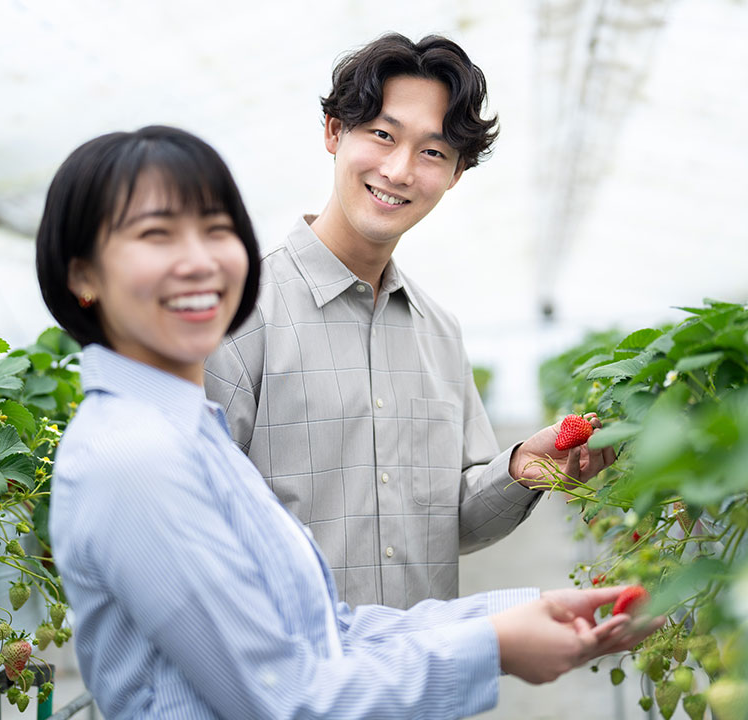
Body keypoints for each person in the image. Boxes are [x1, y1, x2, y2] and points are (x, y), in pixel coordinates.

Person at [37, 125, 660, 719]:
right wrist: (493, 647)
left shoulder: (189, 432)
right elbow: (284, 693)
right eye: (155, 236)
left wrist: (525, 603)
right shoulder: (140, 454)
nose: (198, 262)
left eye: (215, 229)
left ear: (456, 172)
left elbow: (325, 630)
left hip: (382, 683)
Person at [204, 33, 617, 609]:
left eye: (432, 152)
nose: (399, 170)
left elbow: (452, 526)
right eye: (382, 134)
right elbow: (191, 534)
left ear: (455, 175)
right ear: (333, 132)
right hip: (283, 689)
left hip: (419, 685)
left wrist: (521, 469)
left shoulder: (440, 334)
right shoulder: (235, 315)